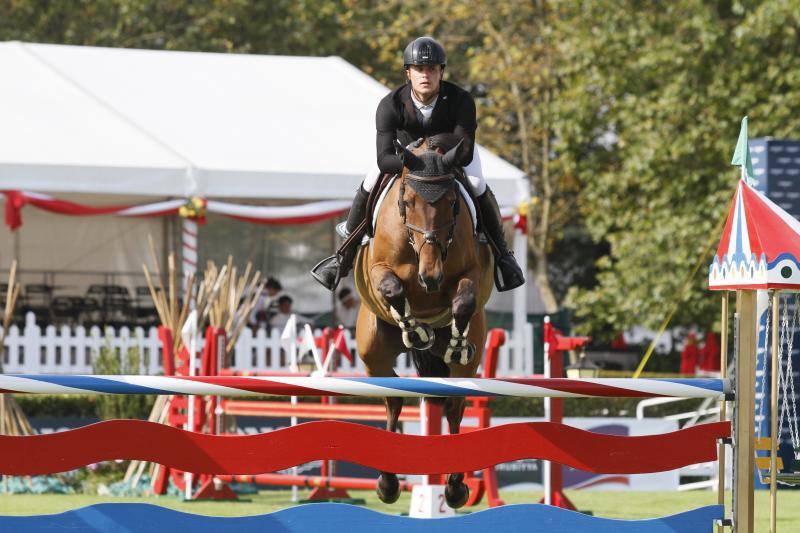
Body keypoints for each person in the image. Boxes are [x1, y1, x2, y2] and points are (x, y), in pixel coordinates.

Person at [311, 36, 525, 293]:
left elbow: (465, 150)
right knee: (370, 182)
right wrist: (410, 160)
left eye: (432, 69)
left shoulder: (461, 99)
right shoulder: (390, 105)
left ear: (441, 72)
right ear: (408, 73)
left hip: (451, 156)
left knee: (478, 184)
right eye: (419, 69)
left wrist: (439, 150)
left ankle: (503, 256)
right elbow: (384, 158)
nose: (426, 75)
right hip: (405, 158)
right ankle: (343, 256)